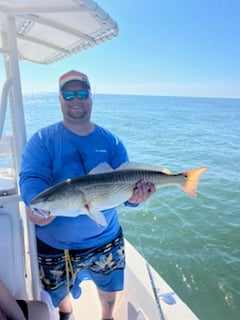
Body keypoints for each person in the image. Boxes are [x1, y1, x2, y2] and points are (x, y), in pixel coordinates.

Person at [19, 70, 156, 320]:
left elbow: (126, 189)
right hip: (56, 245)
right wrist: (35, 203)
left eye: (82, 93)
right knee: (61, 296)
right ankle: (67, 315)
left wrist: (135, 200)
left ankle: (107, 317)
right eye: (68, 94)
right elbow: (31, 177)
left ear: (91, 96)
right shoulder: (43, 139)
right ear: (59, 99)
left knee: (110, 288)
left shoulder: (111, 141)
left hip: (106, 238)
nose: (76, 100)